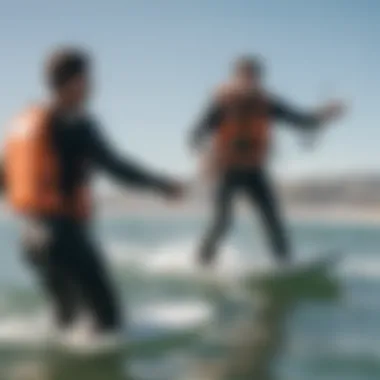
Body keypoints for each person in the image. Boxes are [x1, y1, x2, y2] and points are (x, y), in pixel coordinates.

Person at [1, 47, 182, 335]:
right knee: (109, 324)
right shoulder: (77, 124)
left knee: (66, 320)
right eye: (89, 79)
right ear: (74, 82)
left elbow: (4, 178)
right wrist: (162, 185)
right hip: (64, 236)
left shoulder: (25, 124)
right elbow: (116, 167)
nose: (93, 86)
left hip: (31, 240)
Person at [190, 56, 345, 266]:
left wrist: (325, 115)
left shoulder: (267, 103)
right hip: (227, 170)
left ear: (259, 79)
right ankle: (202, 262)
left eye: (253, 76)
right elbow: (195, 135)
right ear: (235, 77)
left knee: (273, 220)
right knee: (223, 222)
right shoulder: (222, 104)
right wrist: (206, 156)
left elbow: (302, 121)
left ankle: (284, 264)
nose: (249, 81)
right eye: (244, 76)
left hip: (255, 171)